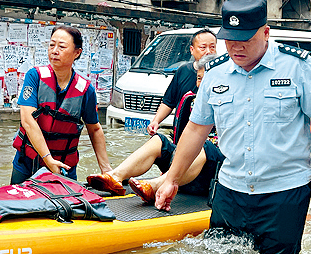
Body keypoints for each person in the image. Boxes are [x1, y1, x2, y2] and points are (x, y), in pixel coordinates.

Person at [155, 0, 311, 254]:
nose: (236, 48)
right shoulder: (215, 73)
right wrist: (172, 179)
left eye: (245, 40)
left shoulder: (297, 66)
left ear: (266, 33)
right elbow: (196, 130)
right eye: (230, 40)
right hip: (230, 190)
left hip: (284, 193)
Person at [87, 54, 223, 202]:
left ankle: (156, 185)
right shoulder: (193, 102)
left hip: (213, 172)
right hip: (185, 169)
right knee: (158, 140)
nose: (200, 84)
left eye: (205, 79)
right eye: (199, 78)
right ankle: (115, 177)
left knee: (204, 146)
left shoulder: (227, 106)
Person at [11, 26, 111, 184]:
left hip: (64, 168)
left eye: (62, 47)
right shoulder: (34, 76)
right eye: (52, 45)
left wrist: (106, 170)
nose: (54, 51)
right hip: (27, 164)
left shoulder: (86, 90)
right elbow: (28, 121)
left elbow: (95, 129)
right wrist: (48, 159)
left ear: (77, 53)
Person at [146, 28, 217, 136]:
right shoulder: (183, 71)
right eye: (203, 47)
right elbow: (169, 101)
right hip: (181, 134)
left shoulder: (220, 74)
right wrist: (156, 121)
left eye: (212, 47)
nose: (208, 52)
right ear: (192, 50)